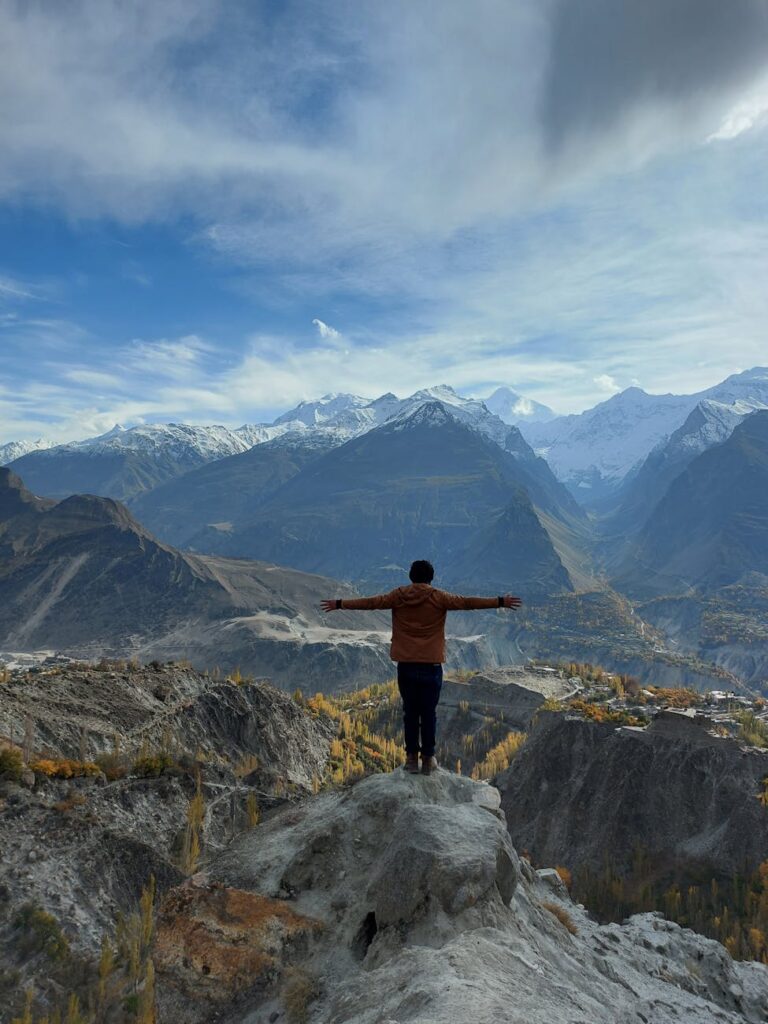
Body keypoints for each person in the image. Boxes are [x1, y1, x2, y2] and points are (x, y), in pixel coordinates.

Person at [321, 560, 522, 775]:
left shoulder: (399, 596)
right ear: (431, 577)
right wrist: (500, 601)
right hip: (431, 665)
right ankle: (428, 759)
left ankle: (410, 760)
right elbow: (467, 602)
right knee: (428, 714)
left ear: (411, 576)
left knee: (410, 713)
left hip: (406, 665)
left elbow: (371, 603)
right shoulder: (439, 597)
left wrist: (340, 604)